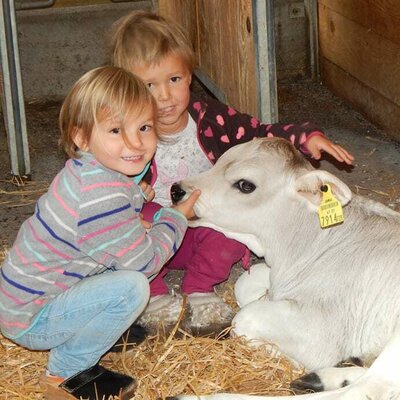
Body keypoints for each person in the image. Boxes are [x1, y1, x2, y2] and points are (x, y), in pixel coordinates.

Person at [109, 10, 354, 336]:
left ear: (190, 76)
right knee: (125, 229)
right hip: (155, 227)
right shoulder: (125, 134)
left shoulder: (211, 119)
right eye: (149, 85)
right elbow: (103, 184)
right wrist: (132, 198)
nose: (165, 96)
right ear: (127, 90)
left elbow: (262, 136)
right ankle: (152, 295)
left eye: (174, 80)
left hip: (205, 219)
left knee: (235, 232)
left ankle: (198, 289)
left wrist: (305, 138)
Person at [0, 66, 199, 400]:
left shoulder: (92, 171)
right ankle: (66, 373)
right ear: (81, 138)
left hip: (26, 297)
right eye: (116, 130)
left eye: (144, 127)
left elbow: (107, 227)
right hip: (32, 317)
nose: (135, 142)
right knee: (133, 287)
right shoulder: (99, 194)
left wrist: (138, 207)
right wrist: (175, 218)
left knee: (120, 266)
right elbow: (145, 263)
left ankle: (94, 324)